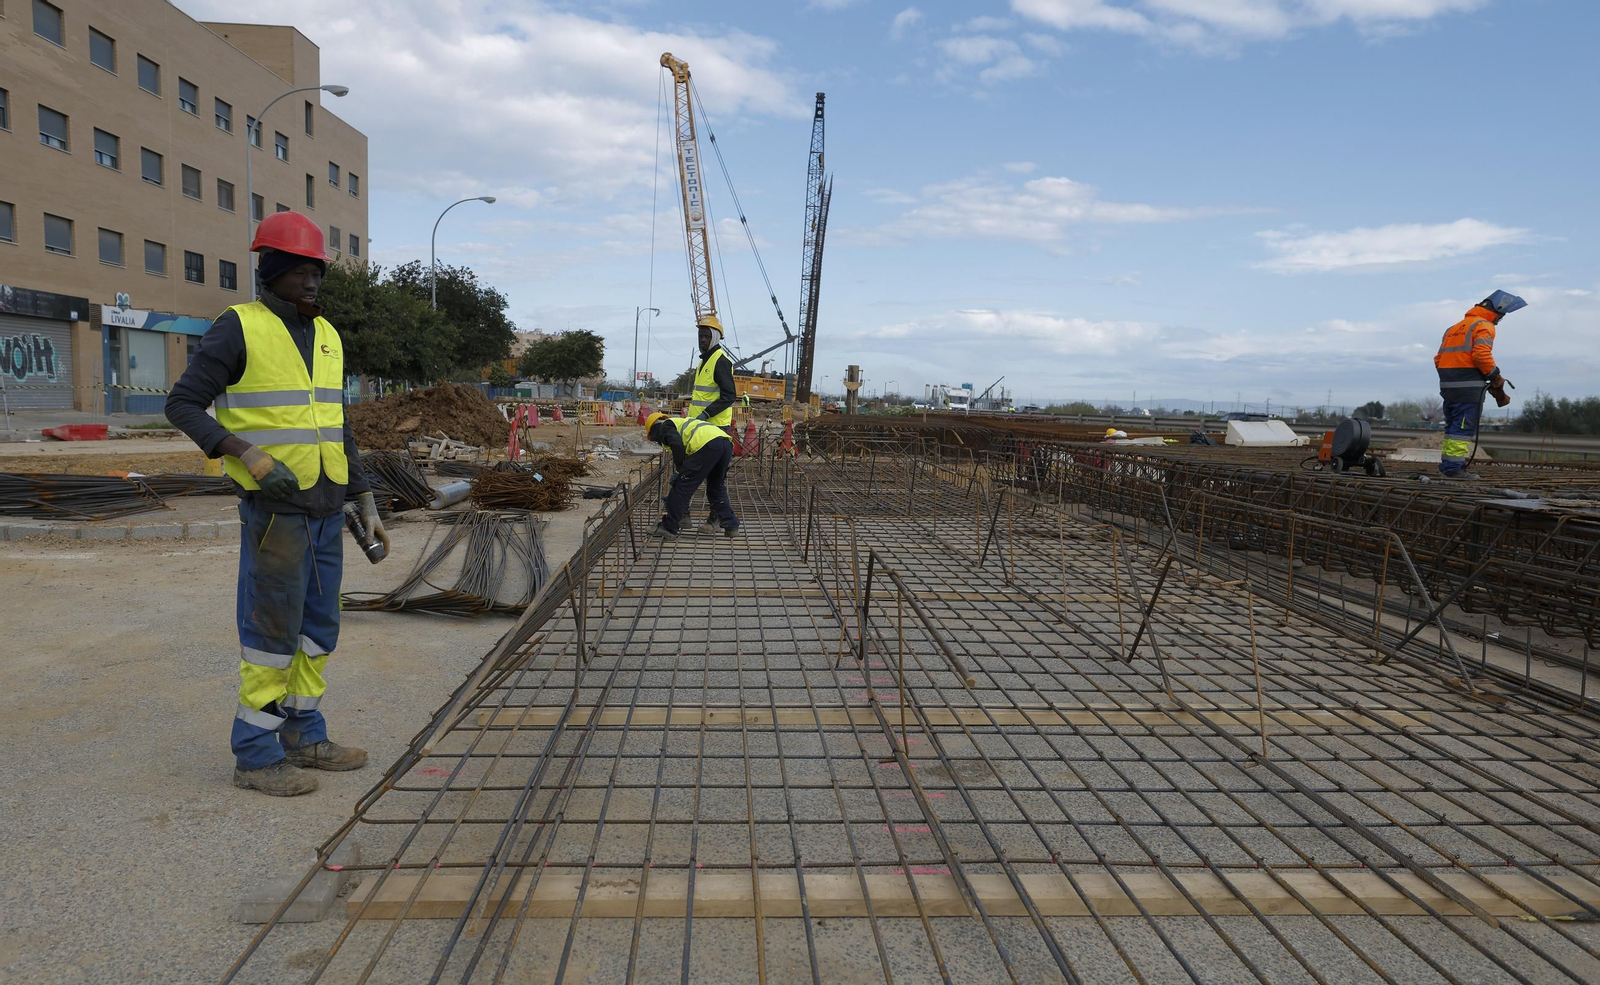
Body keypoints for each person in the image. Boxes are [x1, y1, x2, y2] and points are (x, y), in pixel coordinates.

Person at [165, 211, 386, 797]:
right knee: (271, 634)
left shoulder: (329, 336)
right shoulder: (237, 328)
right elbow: (183, 404)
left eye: (317, 270)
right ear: (271, 271)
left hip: (326, 507)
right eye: (299, 270)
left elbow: (336, 425)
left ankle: (303, 734)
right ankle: (256, 755)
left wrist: (364, 496)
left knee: (318, 629)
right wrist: (245, 454)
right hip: (275, 513)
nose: (311, 280)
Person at [1434, 289, 1525, 479]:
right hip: (1468, 389)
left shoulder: (1453, 328)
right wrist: (1494, 376)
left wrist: (1450, 378)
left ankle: (1448, 464)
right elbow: (1480, 354)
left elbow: (1438, 359)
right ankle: (1453, 469)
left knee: (1453, 427)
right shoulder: (1484, 325)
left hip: (1448, 387)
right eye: (1502, 315)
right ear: (1497, 311)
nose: (1501, 319)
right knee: (1462, 428)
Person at [645, 411, 738, 539]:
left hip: (707, 445)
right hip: (725, 443)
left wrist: (680, 470)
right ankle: (731, 526)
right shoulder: (681, 424)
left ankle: (669, 527)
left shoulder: (665, 427)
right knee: (716, 487)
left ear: (653, 429)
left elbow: (677, 445)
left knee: (682, 487)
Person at [688, 314, 739, 533]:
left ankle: (713, 519)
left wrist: (706, 414)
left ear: (716, 338)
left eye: (706, 336)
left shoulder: (720, 361)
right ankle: (716, 519)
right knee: (712, 478)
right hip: (701, 429)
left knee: (708, 478)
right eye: (700, 335)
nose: (702, 340)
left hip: (715, 429)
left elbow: (729, 395)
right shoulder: (704, 362)